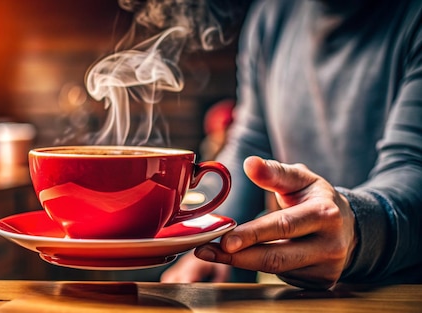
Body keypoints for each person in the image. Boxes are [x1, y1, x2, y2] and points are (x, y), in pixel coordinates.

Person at [161, 0, 422, 289]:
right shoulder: (270, 13)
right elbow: (251, 143)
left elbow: (414, 165)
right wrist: (212, 246)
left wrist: (356, 228)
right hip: (300, 292)